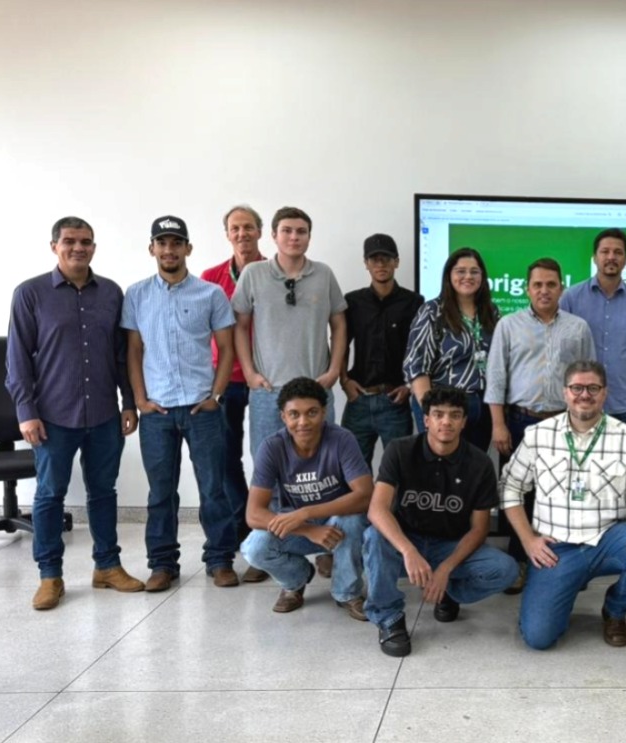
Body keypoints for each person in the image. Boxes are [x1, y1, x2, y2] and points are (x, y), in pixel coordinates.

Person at [6, 216, 144, 610]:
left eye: (85, 242)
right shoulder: (30, 293)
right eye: (69, 241)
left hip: (103, 414)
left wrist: (128, 402)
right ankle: (50, 576)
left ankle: (107, 567)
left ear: (94, 248)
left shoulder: (111, 293)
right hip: (52, 417)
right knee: (50, 495)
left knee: (104, 492)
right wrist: (26, 411)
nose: (78, 248)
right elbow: (17, 359)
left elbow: (121, 356)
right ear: (55, 246)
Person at [500, 360, 626, 650]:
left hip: (609, 539)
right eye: (577, 388)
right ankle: (565, 586)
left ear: (605, 393)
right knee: (539, 637)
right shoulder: (538, 436)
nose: (584, 395)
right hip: (556, 548)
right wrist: (528, 540)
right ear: (565, 392)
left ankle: (615, 610)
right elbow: (509, 487)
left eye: (593, 388)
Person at [122, 216, 237, 591]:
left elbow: (227, 348)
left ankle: (220, 560)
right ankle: (162, 564)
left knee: (213, 488)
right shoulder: (136, 295)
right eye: (162, 243)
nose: (169, 250)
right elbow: (134, 350)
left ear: (188, 248)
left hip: (201, 410)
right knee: (160, 493)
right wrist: (140, 399)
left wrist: (215, 396)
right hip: (157, 412)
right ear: (152, 249)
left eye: (176, 243)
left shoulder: (210, 294)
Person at [363, 388, 517, 657]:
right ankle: (388, 617)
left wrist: (446, 568)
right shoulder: (400, 450)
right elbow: (377, 510)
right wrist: (408, 550)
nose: (446, 422)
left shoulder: (479, 463)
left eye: (454, 415)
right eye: (438, 415)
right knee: (374, 537)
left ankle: (449, 592)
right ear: (426, 420)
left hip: (450, 544)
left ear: (464, 422)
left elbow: (480, 528)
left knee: (506, 570)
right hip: (407, 541)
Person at [485, 257, 595, 589]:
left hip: (565, 423)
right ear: (527, 289)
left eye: (551, 284)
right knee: (518, 494)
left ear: (562, 287)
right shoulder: (508, 325)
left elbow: (589, 379)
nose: (544, 290)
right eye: (537, 285)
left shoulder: (578, 327)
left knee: (566, 496)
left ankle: (567, 566)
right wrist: (498, 424)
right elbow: (496, 377)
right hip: (520, 421)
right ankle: (519, 562)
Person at [241, 378, 373, 617]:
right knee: (254, 548)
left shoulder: (342, 439)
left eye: (311, 412)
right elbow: (253, 514)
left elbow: (365, 496)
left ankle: (347, 593)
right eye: (294, 414)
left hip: (337, 525)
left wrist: (307, 512)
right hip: (299, 528)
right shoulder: (271, 447)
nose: (303, 422)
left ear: (323, 412)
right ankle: (295, 581)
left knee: (353, 520)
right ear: (283, 417)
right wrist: (307, 528)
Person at [232, 206, 347, 458]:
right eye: (287, 231)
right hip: (268, 391)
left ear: (309, 237)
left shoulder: (324, 274)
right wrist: (250, 373)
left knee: (322, 463)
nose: (294, 237)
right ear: (274, 235)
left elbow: (339, 324)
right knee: (267, 463)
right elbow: (240, 326)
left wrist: (333, 372)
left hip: (315, 388)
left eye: (301, 232)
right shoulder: (253, 273)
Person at [201, 204, 269, 582]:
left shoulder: (273, 273)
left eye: (248, 227)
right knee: (225, 458)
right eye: (235, 228)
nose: (242, 234)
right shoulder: (211, 278)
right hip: (223, 380)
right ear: (227, 234)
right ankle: (244, 523)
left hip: (264, 380)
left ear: (260, 231)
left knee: (267, 458)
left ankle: (264, 535)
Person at [559, 228, 626, 429]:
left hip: (625, 406)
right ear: (594, 258)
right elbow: (559, 355)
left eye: (618, 252)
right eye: (605, 252)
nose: (611, 257)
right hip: (580, 404)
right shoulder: (571, 298)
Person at [403, 247, 499, 451]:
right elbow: (416, 365)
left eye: (474, 271)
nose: (468, 276)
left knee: (474, 463)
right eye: (460, 271)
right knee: (440, 463)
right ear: (449, 275)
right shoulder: (432, 311)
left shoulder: (491, 311)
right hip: (443, 406)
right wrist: (432, 412)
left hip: (482, 405)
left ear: (482, 277)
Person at [340, 233, 423, 468]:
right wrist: (344, 380)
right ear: (366, 263)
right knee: (351, 470)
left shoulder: (414, 302)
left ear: (396, 262)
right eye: (374, 259)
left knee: (400, 469)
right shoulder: (352, 301)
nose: (380, 264)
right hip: (359, 398)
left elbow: (420, 350)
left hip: (395, 401)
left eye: (386, 259)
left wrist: (409, 386)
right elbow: (341, 344)